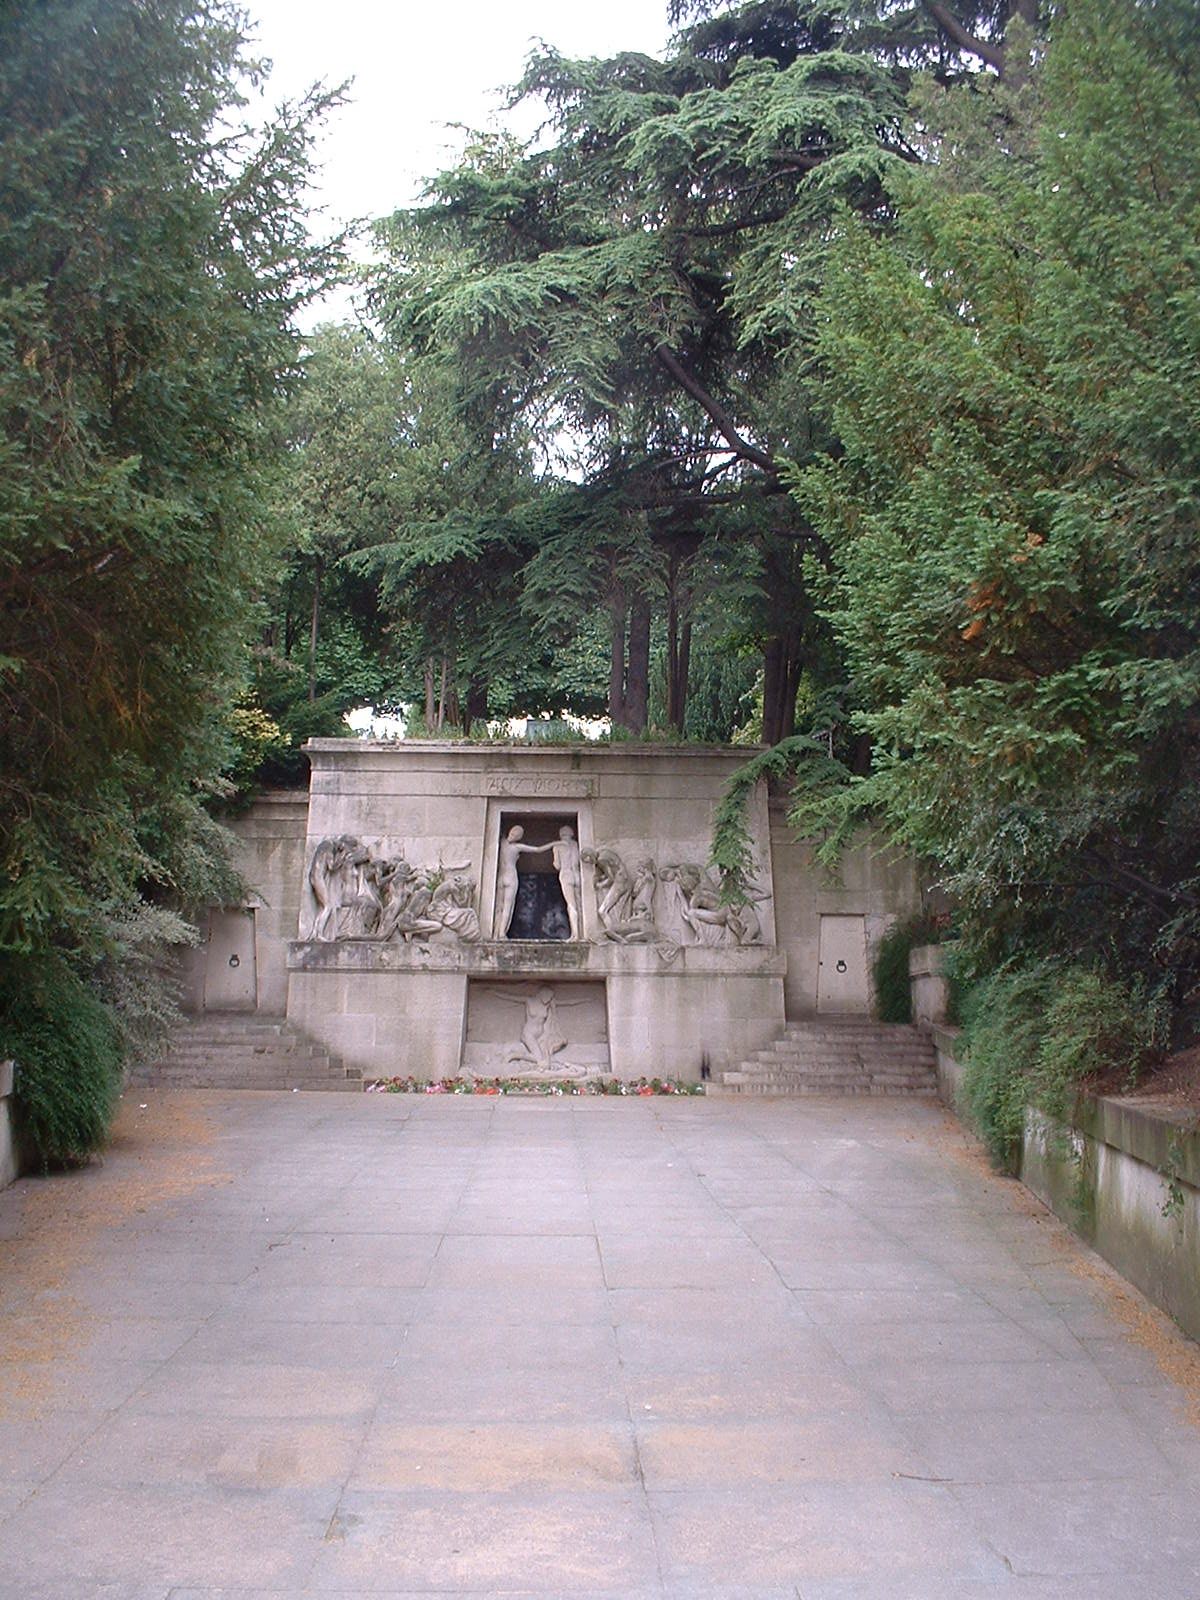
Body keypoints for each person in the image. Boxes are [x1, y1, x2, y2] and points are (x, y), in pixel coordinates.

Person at [494, 824, 551, 938]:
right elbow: (538, 849)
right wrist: (555, 843)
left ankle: (498, 933)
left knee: (501, 906)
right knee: (505, 906)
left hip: (503, 876)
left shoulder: (503, 843)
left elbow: (537, 849)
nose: (514, 835)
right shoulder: (515, 846)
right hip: (509, 876)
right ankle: (500, 933)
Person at [550, 824, 583, 940]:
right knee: (580, 904)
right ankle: (583, 933)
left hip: (566, 874)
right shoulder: (575, 844)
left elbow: (557, 865)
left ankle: (575, 934)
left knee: (571, 905)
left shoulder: (557, 846)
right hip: (577, 875)